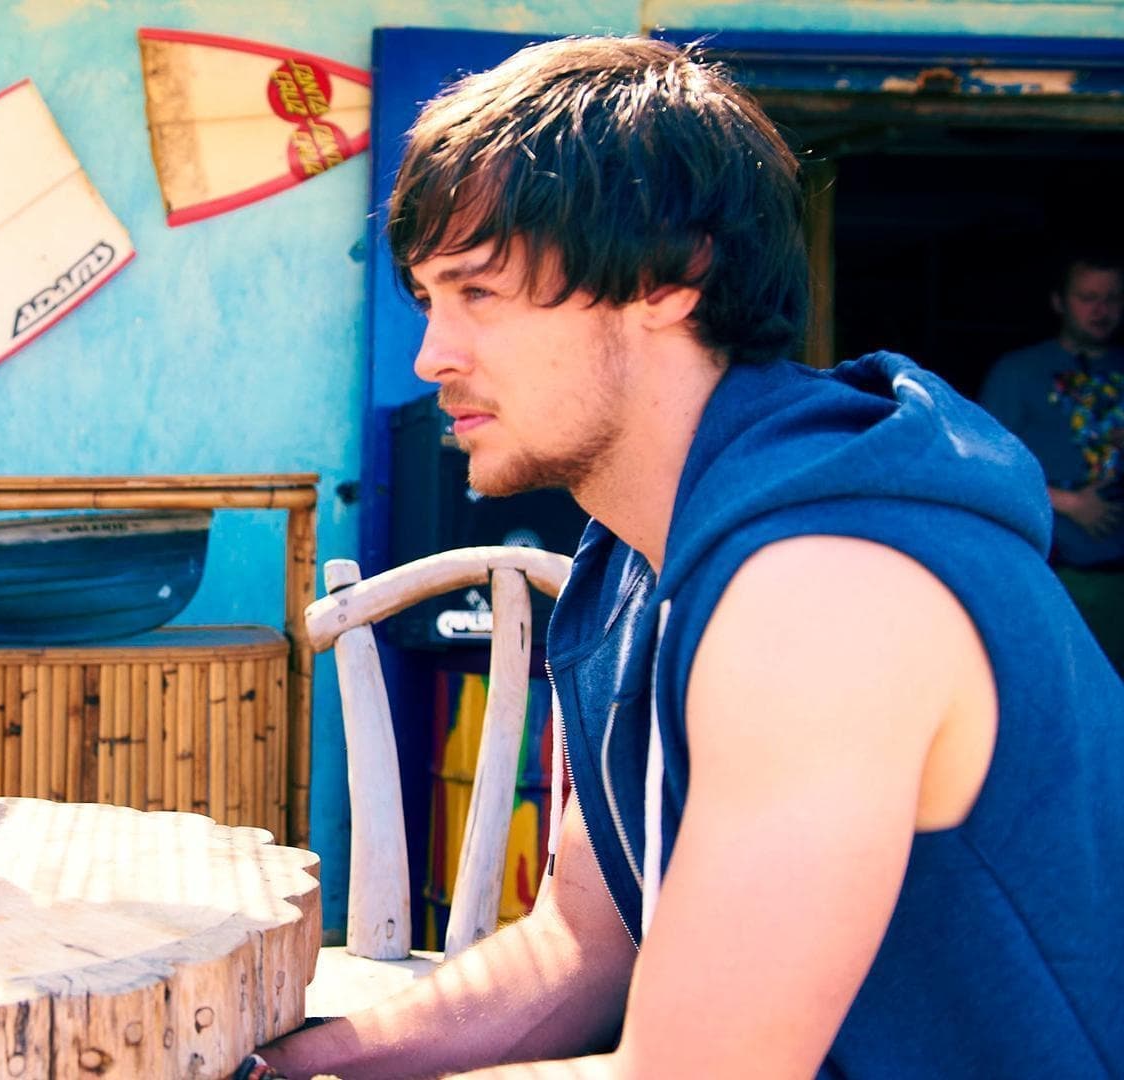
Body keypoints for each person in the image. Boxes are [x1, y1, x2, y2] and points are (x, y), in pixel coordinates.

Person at [254, 37, 1123, 1078]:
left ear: (670, 275)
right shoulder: (636, 560)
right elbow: (576, 953)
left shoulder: (820, 593)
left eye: (477, 292)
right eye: (429, 301)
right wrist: (287, 1066)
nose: (431, 356)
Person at [979, 253, 1124, 670]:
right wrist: (1070, 503)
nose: (1101, 310)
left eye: (1112, 298)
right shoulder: (1019, 371)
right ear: (1059, 302)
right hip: (1050, 574)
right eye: (1088, 298)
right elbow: (984, 465)